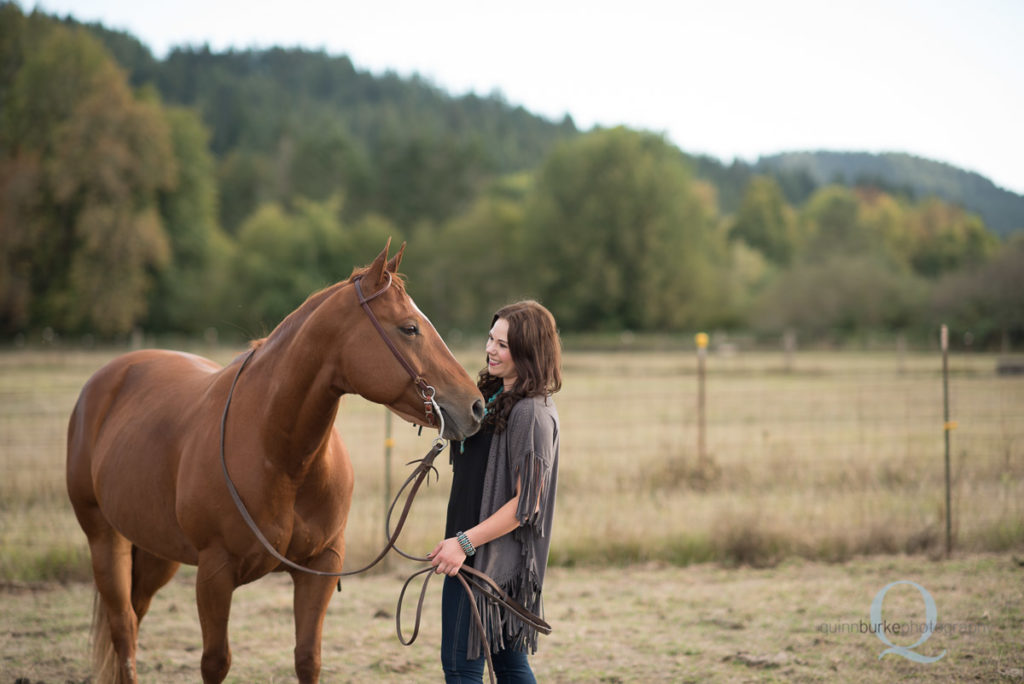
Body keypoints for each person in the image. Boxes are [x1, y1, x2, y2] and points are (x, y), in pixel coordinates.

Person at [429, 300, 562, 684]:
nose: (490, 349)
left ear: (528, 351)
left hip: (486, 565)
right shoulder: (494, 397)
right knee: (509, 667)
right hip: (483, 560)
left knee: (461, 669)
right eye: (491, 338)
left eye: (503, 344)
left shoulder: (531, 413)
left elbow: (526, 504)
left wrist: (462, 544)